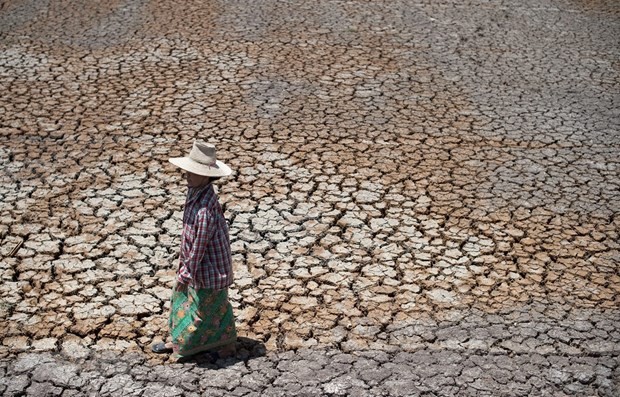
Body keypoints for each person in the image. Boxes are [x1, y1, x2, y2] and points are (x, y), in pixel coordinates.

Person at [151, 140, 236, 360]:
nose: (187, 175)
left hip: (209, 268)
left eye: (192, 172)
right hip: (194, 264)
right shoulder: (195, 193)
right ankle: (180, 340)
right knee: (185, 302)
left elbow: (200, 245)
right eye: (187, 171)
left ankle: (202, 345)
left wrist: (187, 272)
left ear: (206, 175)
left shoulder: (205, 210)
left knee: (206, 309)